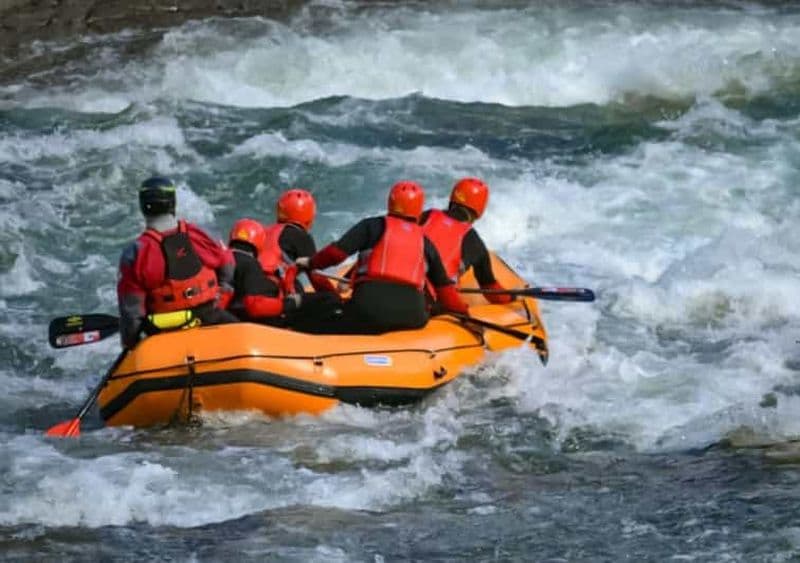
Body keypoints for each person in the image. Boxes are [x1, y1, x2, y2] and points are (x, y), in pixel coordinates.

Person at [294, 181, 469, 334]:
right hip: (412, 319)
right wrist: (465, 314)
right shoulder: (425, 242)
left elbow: (335, 254)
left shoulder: (371, 226)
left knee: (317, 312)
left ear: (390, 203)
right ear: (418, 209)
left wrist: (311, 262)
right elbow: (446, 291)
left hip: (367, 311)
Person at [117, 176, 237, 348]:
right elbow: (227, 267)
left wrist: (130, 345)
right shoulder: (201, 234)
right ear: (172, 204)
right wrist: (222, 291)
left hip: (163, 332)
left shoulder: (134, 254)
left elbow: (131, 313)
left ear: (143, 207)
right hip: (210, 317)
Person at [420, 177, 513, 306]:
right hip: (435, 302)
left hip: (404, 287)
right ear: (480, 210)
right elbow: (491, 291)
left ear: (453, 199)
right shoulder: (474, 241)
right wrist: (512, 297)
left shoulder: (426, 216)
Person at [260, 188, 337, 295]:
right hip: (273, 293)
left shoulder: (264, 231)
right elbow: (316, 276)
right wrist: (334, 298)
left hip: (250, 288)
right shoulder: (300, 236)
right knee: (326, 298)